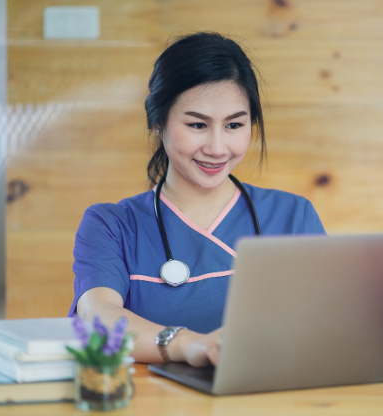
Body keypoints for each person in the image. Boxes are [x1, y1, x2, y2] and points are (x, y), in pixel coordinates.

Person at [69, 32, 326, 367]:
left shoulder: (293, 215)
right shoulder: (112, 226)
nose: (218, 148)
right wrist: (187, 345)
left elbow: (329, 323)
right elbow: (97, 315)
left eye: (234, 124)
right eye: (197, 125)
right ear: (158, 122)